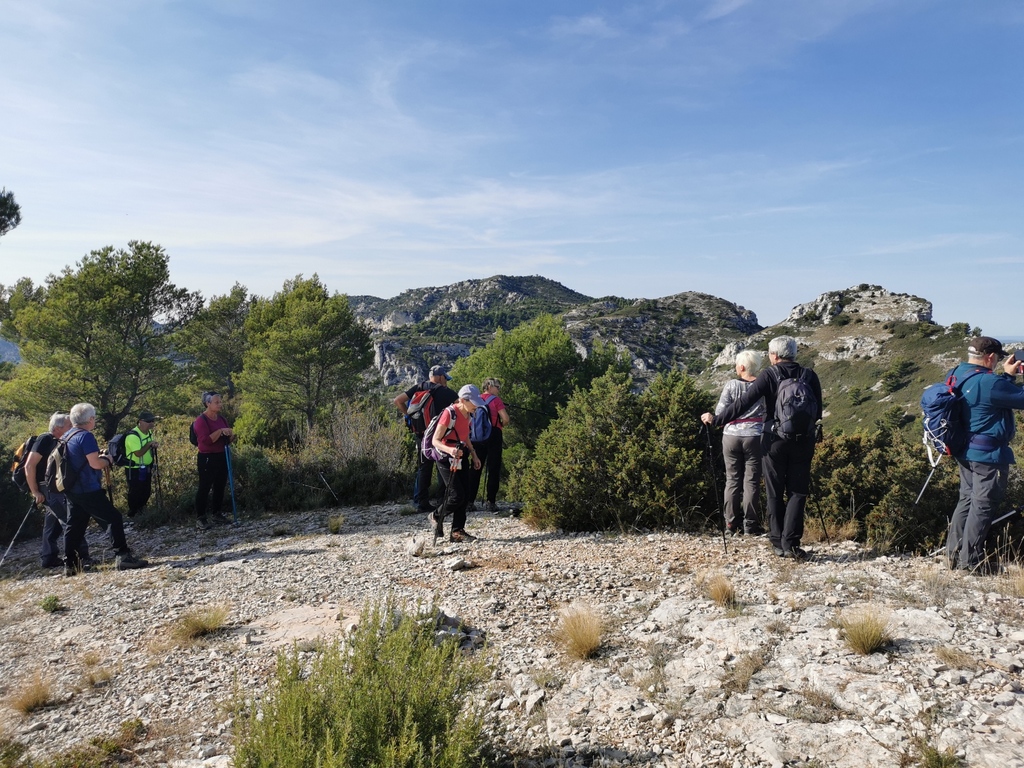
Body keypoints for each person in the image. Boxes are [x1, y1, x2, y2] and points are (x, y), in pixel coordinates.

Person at [701, 336, 822, 561]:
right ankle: (792, 544)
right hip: (803, 442)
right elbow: (818, 412)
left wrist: (718, 420)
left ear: (774, 356)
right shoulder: (809, 375)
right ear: (794, 354)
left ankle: (777, 543)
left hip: (773, 440)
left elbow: (743, 402)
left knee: (775, 491)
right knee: (798, 492)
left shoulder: (770, 374)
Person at [945, 336, 1024, 573]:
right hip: (988, 455)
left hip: (964, 450)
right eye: (999, 358)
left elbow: (991, 398)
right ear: (990, 357)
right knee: (983, 505)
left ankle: (953, 556)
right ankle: (970, 563)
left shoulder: (957, 372)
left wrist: (1009, 376)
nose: (1000, 362)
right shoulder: (991, 383)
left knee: (967, 500)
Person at [62, 403, 148, 573]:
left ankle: (70, 564)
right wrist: (108, 459)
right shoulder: (85, 436)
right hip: (88, 487)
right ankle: (123, 556)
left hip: (72, 488)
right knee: (114, 518)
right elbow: (95, 464)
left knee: (75, 525)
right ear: (90, 419)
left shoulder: (67, 435)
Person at [24, 413, 90, 569]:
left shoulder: (61, 440)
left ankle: (48, 558)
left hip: (55, 487)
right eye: (69, 426)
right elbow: (29, 466)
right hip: (46, 487)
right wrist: (36, 492)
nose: (72, 428)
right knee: (70, 520)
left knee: (52, 523)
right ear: (58, 428)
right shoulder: (45, 439)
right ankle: (81, 557)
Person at [713, 351, 766, 536]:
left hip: (731, 436)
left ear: (742, 367)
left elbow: (720, 411)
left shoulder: (731, 385)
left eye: (736, 364)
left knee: (732, 480)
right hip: (754, 436)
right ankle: (750, 526)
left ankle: (730, 524)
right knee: (751, 481)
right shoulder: (763, 385)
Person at [394, 365, 457, 513]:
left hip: (421, 434)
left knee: (424, 467)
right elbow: (461, 406)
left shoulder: (418, 387)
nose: (446, 382)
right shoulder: (446, 392)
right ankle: (442, 499)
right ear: (441, 377)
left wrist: (408, 415)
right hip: (439, 435)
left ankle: (421, 501)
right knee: (442, 465)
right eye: (445, 379)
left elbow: (398, 400)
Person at [428, 384, 485, 542]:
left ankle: (457, 531)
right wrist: (450, 450)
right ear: (463, 400)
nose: (476, 406)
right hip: (446, 458)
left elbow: (464, 436)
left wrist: (474, 454)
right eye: (473, 402)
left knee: (465, 495)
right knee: (456, 495)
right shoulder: (449, 413)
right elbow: (435, 440)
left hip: (461, 456)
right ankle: (435, 516)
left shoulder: (468, 414)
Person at [466, 377, 510, 513]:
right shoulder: (496, 401)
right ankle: (491, 502)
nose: (499, 389)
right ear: (489, 386)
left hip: (476, 437)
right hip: (494, 436)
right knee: (493, 469)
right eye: (497, 386)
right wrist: (498, 426)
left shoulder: (475, 400)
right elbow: (506, 419)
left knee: (475, 468)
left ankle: (469, 502)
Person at [193, 391, 234, 530]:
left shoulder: (221, 419)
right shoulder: (200, 421)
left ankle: (217, 514)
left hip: (221, 455)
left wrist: (231, 435)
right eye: (217, 402)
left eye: (220, 402)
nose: (220, 404)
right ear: (207, 403)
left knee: (220, 486)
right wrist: (220, 431)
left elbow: (227, 441)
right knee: (204, 487)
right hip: (207, 457)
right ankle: (201, 518)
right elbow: (204, 441)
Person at [124, 411, 158, 518]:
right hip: (134, 469)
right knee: (135, 491)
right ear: (140, 422)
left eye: (152, 420)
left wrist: (153, 445)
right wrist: (149, 444)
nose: (151, 423)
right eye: (149, 421)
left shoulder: (148, 433)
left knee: (146, 490)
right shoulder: (133, 436)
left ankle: (141, 510)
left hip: (146, 467)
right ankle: (133, 513)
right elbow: (138, 453)